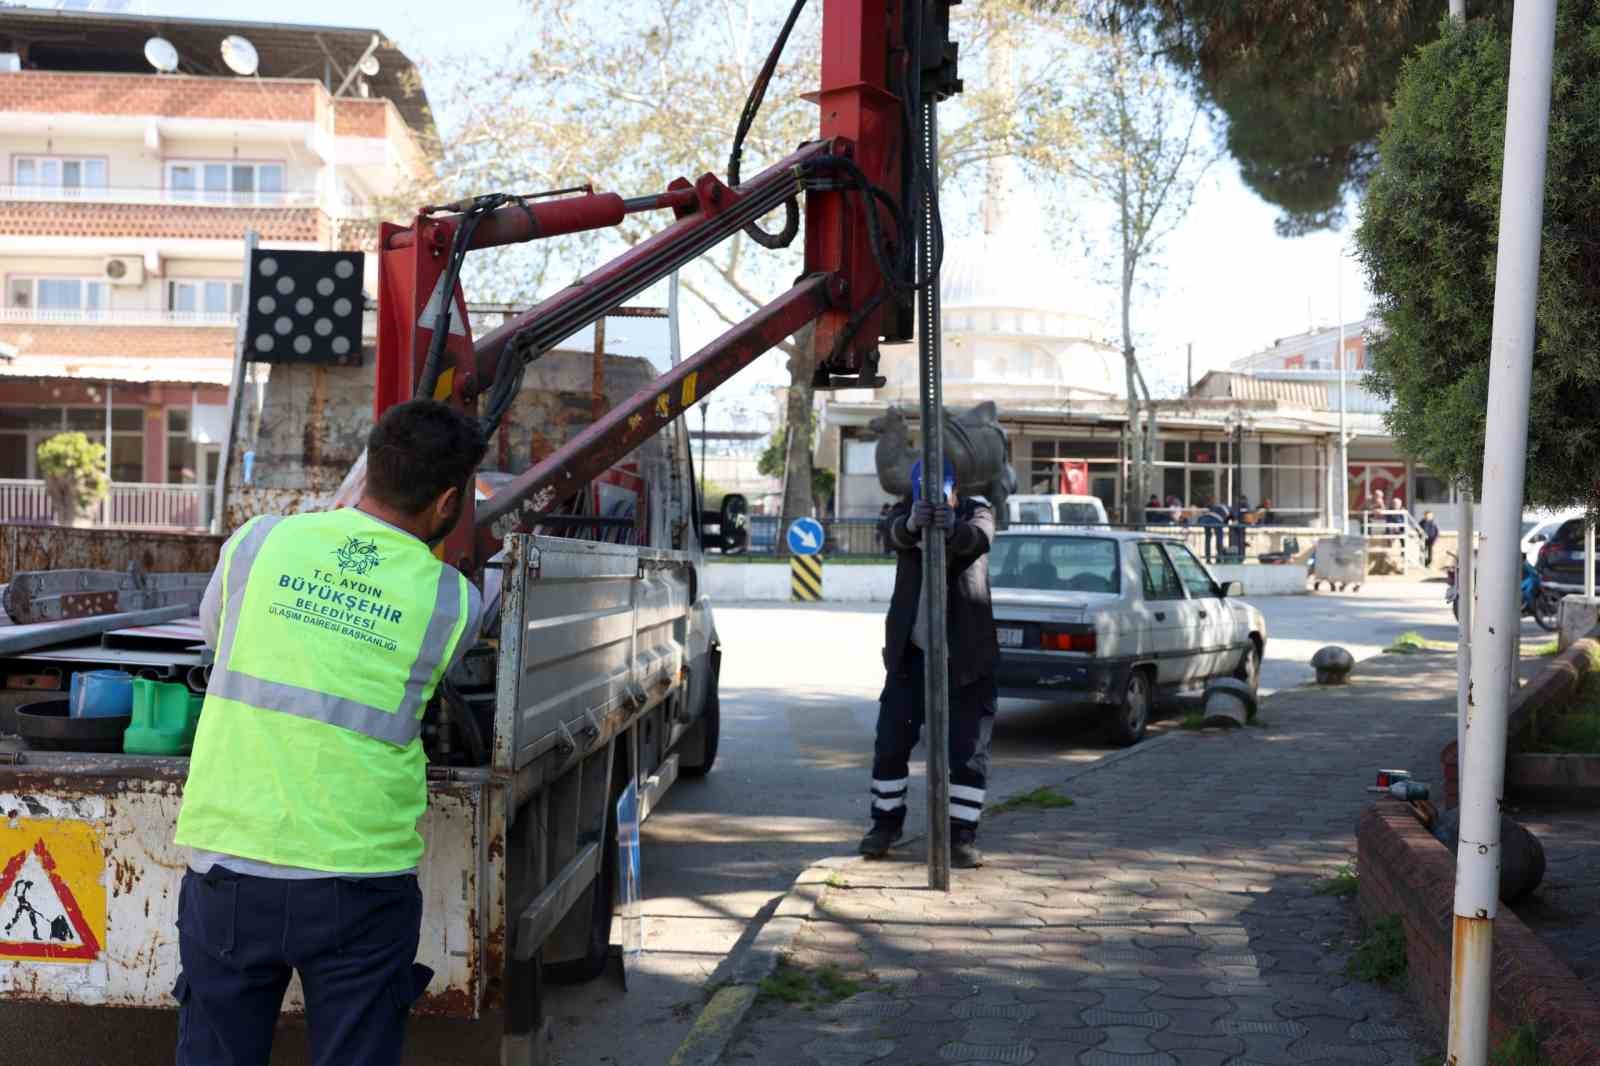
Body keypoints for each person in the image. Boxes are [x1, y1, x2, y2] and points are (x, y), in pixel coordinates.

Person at [172, 400, 487, 1066]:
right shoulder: (452, 602)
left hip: (230, 863)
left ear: (367, 470)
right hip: (359, 882)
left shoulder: (257, 544)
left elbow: (216, 634)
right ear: (448, 501)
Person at [860, 462, 997, 870]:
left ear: (956, 490)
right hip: (911, 655)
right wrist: (912, 524)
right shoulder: (904, 511)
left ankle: (961, 838)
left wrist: (952, 528)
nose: (934, 500)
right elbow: (891, 534)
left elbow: (978, 539)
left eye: (941, 493)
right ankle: (884, 826)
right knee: (889, 745)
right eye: (925, 494)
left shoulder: (978, 510)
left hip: (967, 659)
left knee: (968, 753)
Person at [1198, 497, 1226, 563]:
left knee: (1208, 538)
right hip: (1216, 521)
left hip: (1206, 520)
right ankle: (1219, 557)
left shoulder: (1213, 507)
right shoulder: (1225, 508)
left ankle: (1208, 559)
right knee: (1219, 538)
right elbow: (1230, 519)